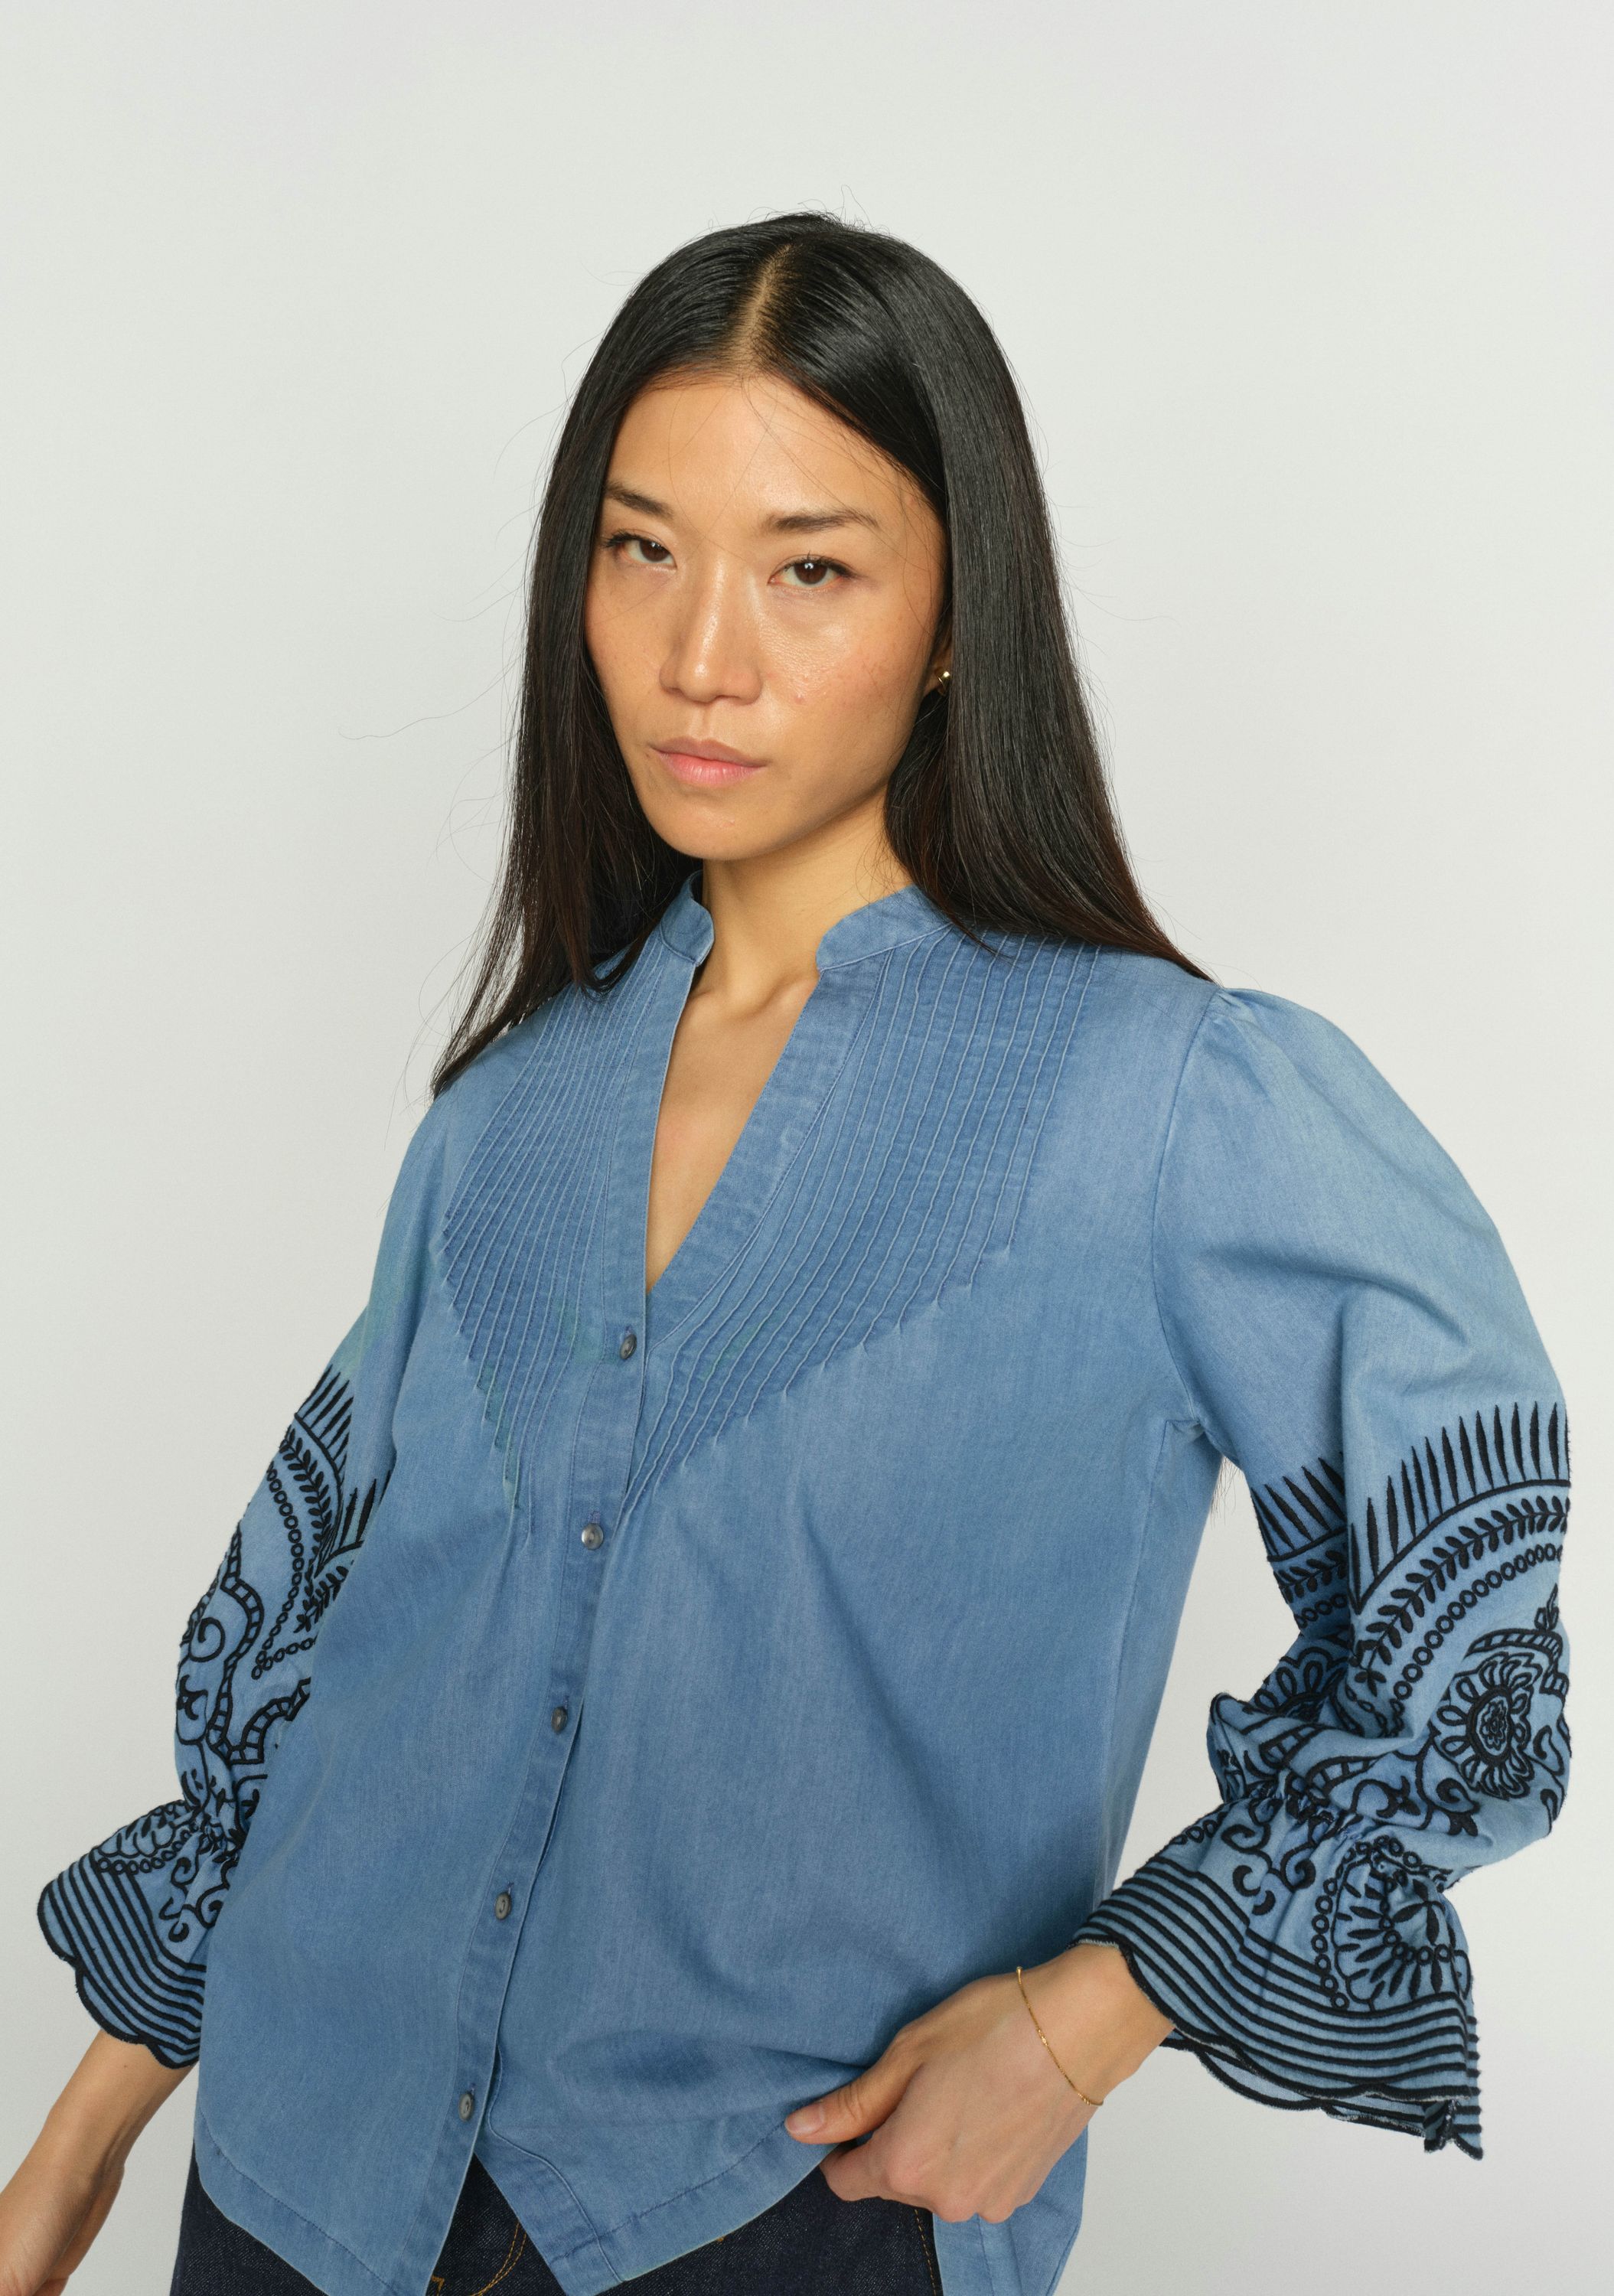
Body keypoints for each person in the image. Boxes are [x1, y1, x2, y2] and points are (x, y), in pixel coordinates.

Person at [1, 214, 1571, 2296]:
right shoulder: (508, 1113)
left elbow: (1468, 1646)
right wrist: (79, 2139)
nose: (701, 657)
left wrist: (1092, 2018)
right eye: (641, 550)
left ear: (955, 615)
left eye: (808, 568)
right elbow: (318, 1653)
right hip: (299, 2180)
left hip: (783, 2219)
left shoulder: (1185, 1103)